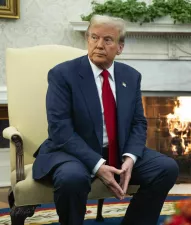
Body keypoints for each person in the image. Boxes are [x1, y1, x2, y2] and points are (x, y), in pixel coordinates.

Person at [32, 15, 179, 225]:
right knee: (71, 179)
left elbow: (138, 123)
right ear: (87, 39)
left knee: (166, 168)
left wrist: (130, 158)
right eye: (94, 37)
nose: (99, 45)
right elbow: (60, 130)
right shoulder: (63, 74)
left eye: (108, 40)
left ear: (120, 47)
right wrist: (98, 165)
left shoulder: (131, 76)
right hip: (72, 152)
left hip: (116, 150)